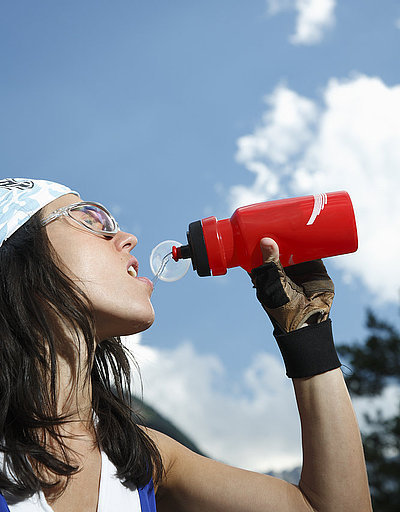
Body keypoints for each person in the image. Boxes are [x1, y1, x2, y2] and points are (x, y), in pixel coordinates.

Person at [0, 177, 372, 512]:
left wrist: (307, 336)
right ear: (14, 257)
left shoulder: (141, 457)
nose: (126, 238)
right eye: (89, 218)